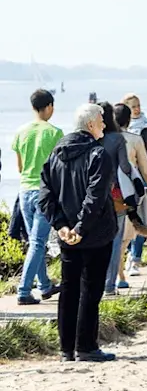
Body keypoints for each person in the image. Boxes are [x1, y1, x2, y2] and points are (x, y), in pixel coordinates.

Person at [37, 102, 118, 362]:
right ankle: (85, 346)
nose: (105, 125)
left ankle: (66, 349)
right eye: (102, 121)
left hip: (68, 233)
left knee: (70, 289)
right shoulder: (98, 154)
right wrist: (78, 228)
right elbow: (95, 196)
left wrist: (61, 225)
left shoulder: (56, 153)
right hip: (92, 233)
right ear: (91, 124)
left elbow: (45, 195)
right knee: (90, 290)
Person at [11, 88, 63, 306]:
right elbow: (59, 168)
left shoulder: (21, 132)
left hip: (24, 190)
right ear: (49, 106)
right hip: (44, 191)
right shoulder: (55, 133)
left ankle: (44, 285)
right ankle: (23, 291)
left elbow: (20, 167)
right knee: (38, 241)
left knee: (35, 242)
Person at [115, 102, 147, 289]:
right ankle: (119, 275)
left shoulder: (103, 138)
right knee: (125, 236)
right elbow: (146, 167)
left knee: (115, 236)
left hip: (107, 192)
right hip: (129, 192)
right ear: (128, 120)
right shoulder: (134, 140)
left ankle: (116, 275)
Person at [97, 102, 135, 297]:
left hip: (94, 197)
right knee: (115, 240)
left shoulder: (91, 139)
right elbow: (125, 167)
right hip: (116, 197)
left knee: (96, 241)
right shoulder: (117, 138)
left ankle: (94, 283)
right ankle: (109, 286)